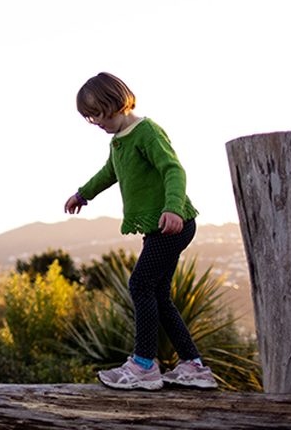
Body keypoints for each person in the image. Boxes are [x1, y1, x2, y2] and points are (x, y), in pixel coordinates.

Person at [65, 72, 218, 391]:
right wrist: (83, 194)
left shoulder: (146, 131)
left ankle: (144, 365)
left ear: (115, 103)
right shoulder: (119, 141)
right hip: (157, 228)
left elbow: (173, 168)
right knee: (159, 295)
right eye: (90, 118)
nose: (95, 122)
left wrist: (173, 207)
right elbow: (110, 172)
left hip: (173, 223)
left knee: (140, 284)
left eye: (98, 114)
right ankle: (194, 366)